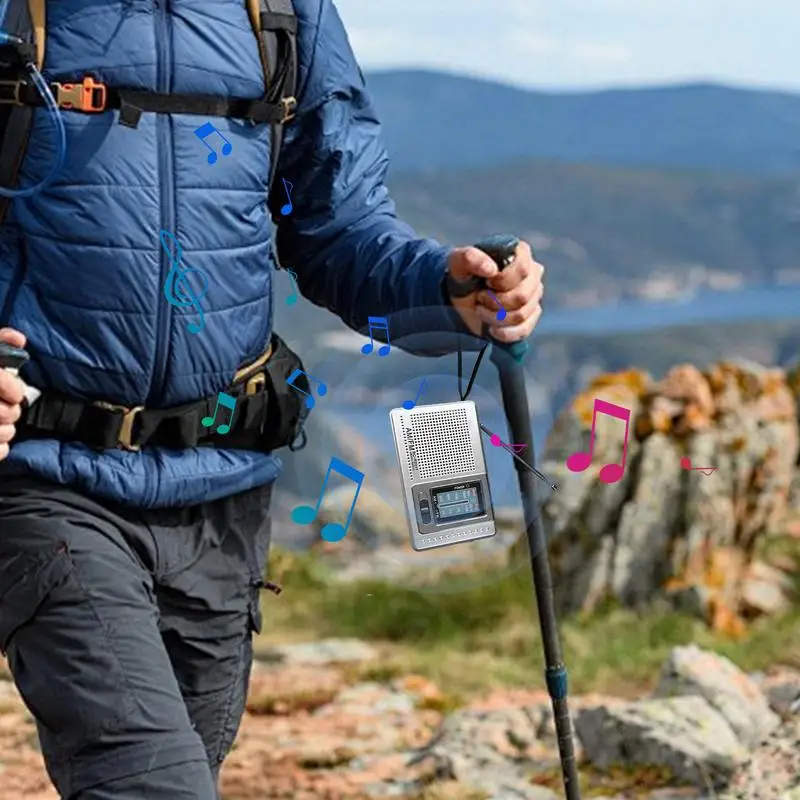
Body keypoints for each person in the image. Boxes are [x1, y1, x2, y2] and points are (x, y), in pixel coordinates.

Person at [0, 0, 545, 797]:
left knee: (187, 773)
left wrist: (447, 290)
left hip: (226, 494)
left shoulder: (282, 14)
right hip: (51, 484)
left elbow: (339, 230)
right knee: (154, 784)